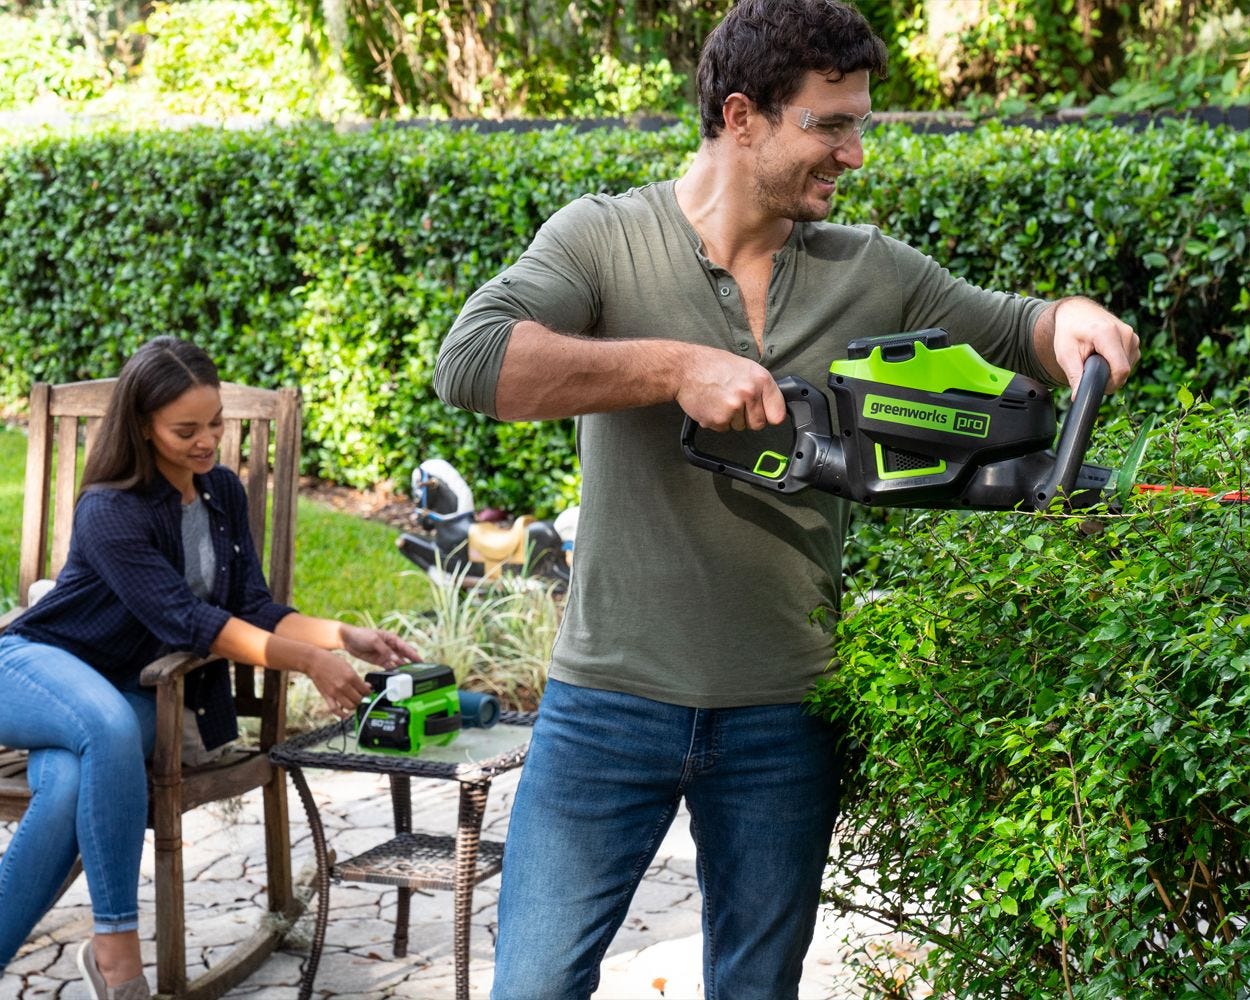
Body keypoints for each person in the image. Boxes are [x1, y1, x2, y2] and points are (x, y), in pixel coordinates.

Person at [434, 1, 1140, 996]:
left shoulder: (869, 269)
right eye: (829, 125)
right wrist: (674, 367)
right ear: (741, 117)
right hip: (608, 704)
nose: (854, 153)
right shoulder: (605, 240)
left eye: (859, 124)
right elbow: (471, 362)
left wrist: (1072, 321)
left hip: (786, 714)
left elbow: (1017, 326)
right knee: (534, 986)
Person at [0, 337, 421, 999]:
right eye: (186, 430)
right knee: (105, 728)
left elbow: (252, 607)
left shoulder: (221, 492)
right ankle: (119, 956)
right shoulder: (109, 510)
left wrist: (344, 636)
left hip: (124, 693)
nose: (207, 442)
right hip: (33, 666)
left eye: (216, 423)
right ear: (144, 426)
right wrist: (310, 662)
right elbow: (188, 622)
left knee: (70, 784)